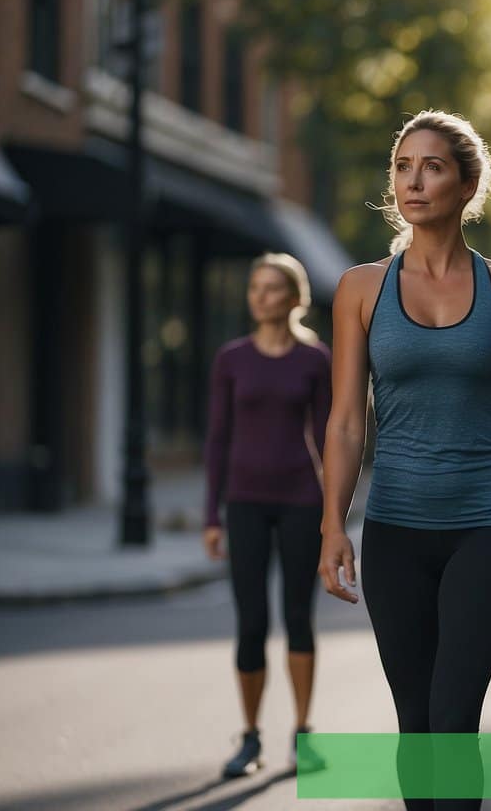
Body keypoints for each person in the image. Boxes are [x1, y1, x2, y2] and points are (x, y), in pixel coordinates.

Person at [318, 110, 491, 811]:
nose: (412, 180)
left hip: (486, 527)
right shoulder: (360, 290)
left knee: (453, 721)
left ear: (466, 185)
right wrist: (332, 526)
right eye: (402, 166)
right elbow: (344, 423)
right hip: (396, 528)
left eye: (430, 167)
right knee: (416, 728)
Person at [203, 252, 332, 777]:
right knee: (251, 621)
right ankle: (250, 736)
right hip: (245, 502)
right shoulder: (231, 359)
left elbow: (329, 438)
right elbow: (218, 439)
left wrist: (335, 517)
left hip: (303, 499)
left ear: (294, 297)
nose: (260, 296)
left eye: (272, 288)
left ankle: (303, 734)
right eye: (255, 287)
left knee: (299, 617)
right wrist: (211, 516)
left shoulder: (316, 360)